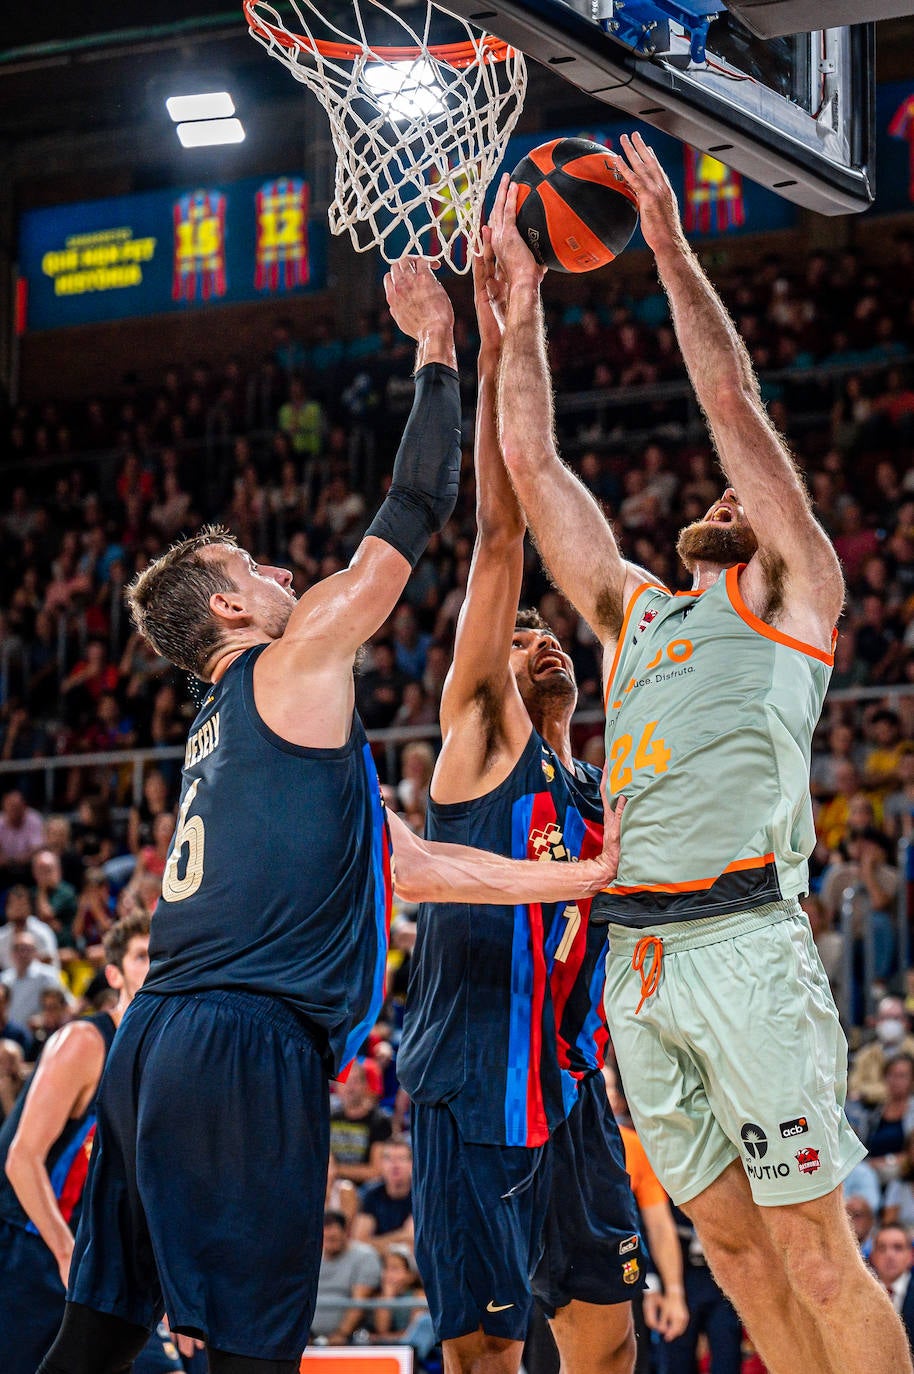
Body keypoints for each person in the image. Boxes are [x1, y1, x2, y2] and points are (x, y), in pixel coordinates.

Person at [39, 259, 624, 1374]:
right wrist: (435, 348)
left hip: (158, 1035)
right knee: (254, 1348)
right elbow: (414, 507)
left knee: (105, 1329)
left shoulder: (237, 733)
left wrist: (584, 879)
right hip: (240, 1044)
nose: (276, 570)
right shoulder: (289, 656)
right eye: (251, 567)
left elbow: (416, 867)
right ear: (227, 608)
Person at [488, 132, 910, 1374]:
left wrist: (668, 246)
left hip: (740, 941)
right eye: (717, 500)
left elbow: (730, 405)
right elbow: (530, 465)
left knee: (817, 1252)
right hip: (639, 962)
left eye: (737, 497)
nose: (722, 500)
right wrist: (517, 312)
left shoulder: (790, 590)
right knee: (729, 1256)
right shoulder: (629, 617)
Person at [397, 253, 641, 1374]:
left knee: (603, 1344)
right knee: (484, 1358)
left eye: (557, 634)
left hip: (572, 1089)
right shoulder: (482, 733)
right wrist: (493, 346)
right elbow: (500, 535)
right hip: (471, 1080)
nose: (540, 637)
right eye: (523, 633)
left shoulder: (599, 789)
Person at [0, 913, 191, 1374]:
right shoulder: (85, 1041)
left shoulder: (172, 1055)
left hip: (106, 1255)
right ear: (113, 973)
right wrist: (66, 1253)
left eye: (160, 954)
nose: (154, 964)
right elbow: (21, 1159)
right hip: (34, 1247)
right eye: (140, 956)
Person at [311, 1211, 382, 1346]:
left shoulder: (365, 1257)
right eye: (324, 1239)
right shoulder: (311, 1256)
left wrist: (341, 1333)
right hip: (309, 1337)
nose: (328, 1244)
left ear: (346, 1233)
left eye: (333, 1238)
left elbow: (359, 1301)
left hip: (349, 1338)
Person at [351, 1137, 414, 1253]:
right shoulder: (371, 1193)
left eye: (401, 1159)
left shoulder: (420, 1196)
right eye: (388, 1159)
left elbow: (414, 1243)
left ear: (412, 1164)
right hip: (377, 1260)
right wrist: (401, 1236)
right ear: (381, 1164)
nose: (395, 1165)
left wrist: (376, 1242)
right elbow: (359, 1242)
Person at [869, 1224, 914, 1351]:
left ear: (911, 1256)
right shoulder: (858, 1297)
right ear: (872, 1256)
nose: (889, 1255)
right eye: (882, 1248)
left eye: (898, 1248)